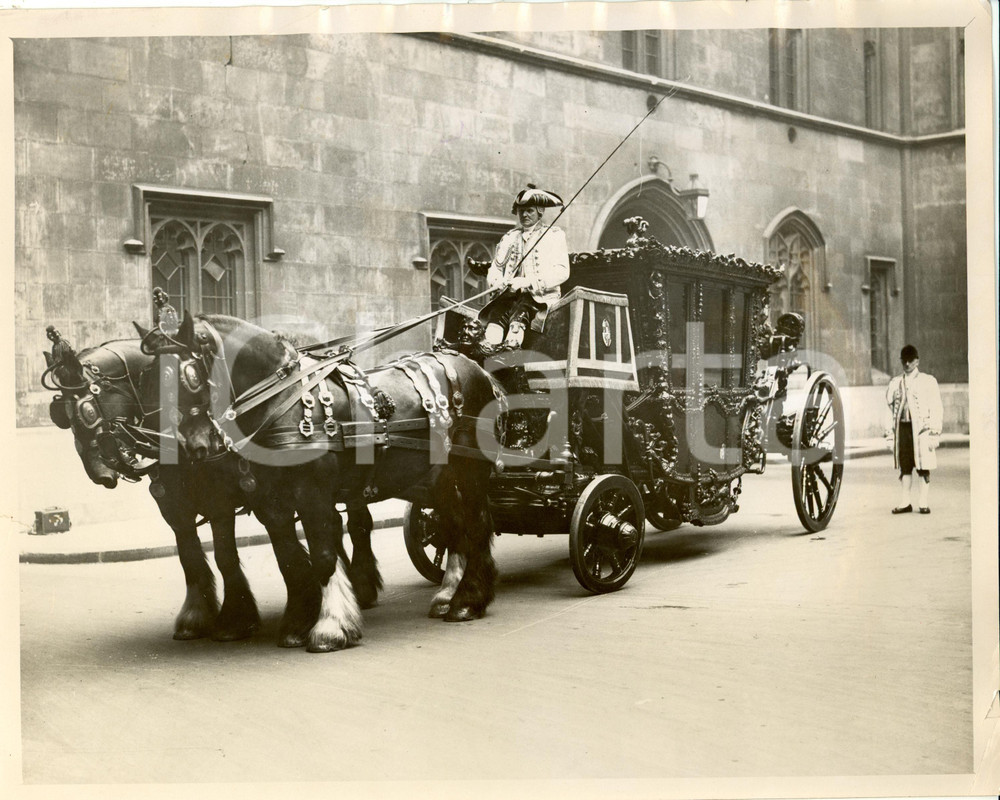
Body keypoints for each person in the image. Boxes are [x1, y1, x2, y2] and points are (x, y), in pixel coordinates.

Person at [479, 185, 570, 348]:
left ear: (540, 212)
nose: (525, 215)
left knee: (522, 309)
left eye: (529, 211)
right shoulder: (509, 238)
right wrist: (497, 281)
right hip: (510, 296)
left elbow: (562, 272)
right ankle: (489, 347)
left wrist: (528, 282)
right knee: (498, 311)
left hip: (541, 298)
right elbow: (495, 268)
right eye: (521, 211)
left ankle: (511, 346)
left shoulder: (554, 236)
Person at [885, 344, 943, 514]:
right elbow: (888, 410)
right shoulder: (895, 383)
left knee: (923, 465)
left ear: (917, 361)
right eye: (904, 361)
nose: (907, 364)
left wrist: (934, 432)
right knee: (905, 465)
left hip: (921, 431)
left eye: (911, 360)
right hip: (903, 429)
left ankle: (923, 502)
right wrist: (889, 434)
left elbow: (936, 407)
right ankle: (905, 502)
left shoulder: (928, 381)